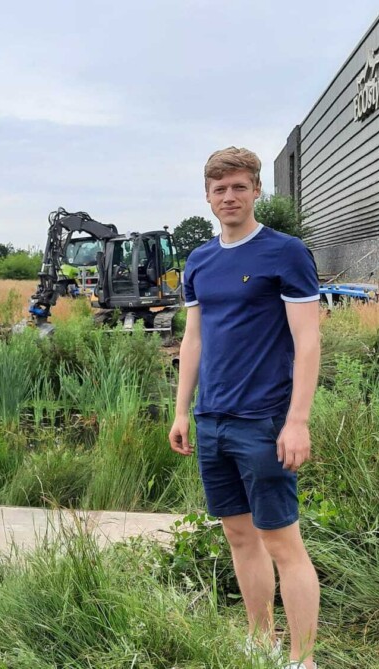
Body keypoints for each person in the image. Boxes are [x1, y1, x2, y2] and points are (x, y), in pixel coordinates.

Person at [169, 147, 321, 669]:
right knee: (238, 535)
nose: (229, 197)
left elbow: (308, 343)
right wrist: (182, 411)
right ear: (207, 197)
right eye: (219, 189)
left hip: (264, 421)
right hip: (211, 420)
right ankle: (262, 644)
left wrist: (297, 421)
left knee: (282, 541)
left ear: (257, 190)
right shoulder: (200, 260)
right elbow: (193, 340)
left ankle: (303, 660)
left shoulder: (286, 253)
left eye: (238, 187)